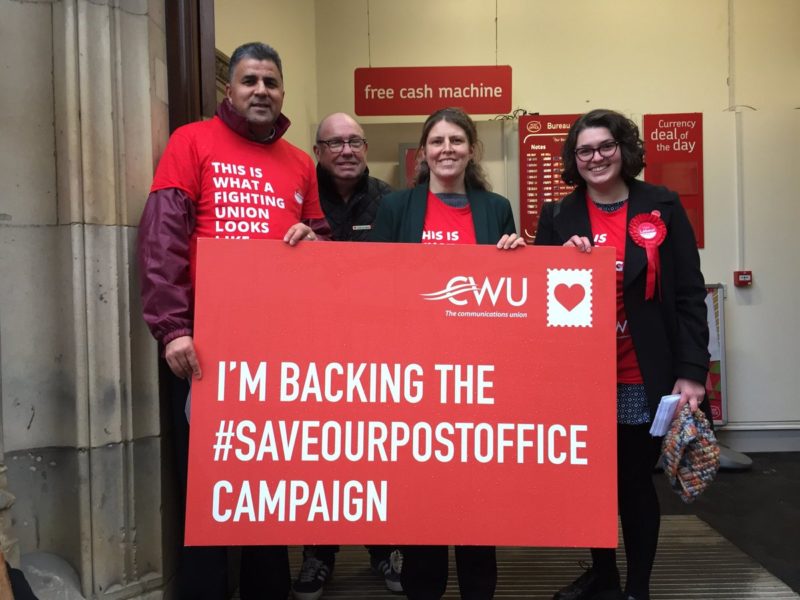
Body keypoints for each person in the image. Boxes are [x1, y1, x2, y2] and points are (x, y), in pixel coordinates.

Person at [137, 41, 329, 600]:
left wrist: (316, 242)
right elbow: (162, 240)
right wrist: (172, 328)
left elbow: (328, 253)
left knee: (268, 485)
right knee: (208, 489)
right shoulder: (190, 141)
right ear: (231, 90)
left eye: (270, 81)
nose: (261, 91)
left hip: (279, 346)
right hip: (206, 344)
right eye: (250, 81)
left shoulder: (299, 163)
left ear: (283, 92)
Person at [534, 109, 709, 600]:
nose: (596, 158)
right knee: (590, 485)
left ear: (624, 149)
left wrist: (692, 372)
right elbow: (540, 300)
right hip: (580, 377)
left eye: (605, 146)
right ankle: (603, 575)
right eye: (585, 150)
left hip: (641, 373)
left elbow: (689, 296)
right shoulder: (557, 216)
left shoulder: (663, 205)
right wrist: (559, 262)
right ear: (574, 159)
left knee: (633, 483)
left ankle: (637, 587)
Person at [371, 107, 525, 600]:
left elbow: (510, 288)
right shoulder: (398, 207)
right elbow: (372, 283)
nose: (447, 149)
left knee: (479, 506)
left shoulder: (495, 207)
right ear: (424, 151)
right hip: (415, 378)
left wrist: (517, 255)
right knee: (424, 506)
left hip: (480, 378)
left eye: (457, 140)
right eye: (436, 140)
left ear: (472, 149)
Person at [291, 112, 399, 600]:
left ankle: (385, 549)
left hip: (378, 345)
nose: (346, 150)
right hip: (311, 347)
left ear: (366, 147)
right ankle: (318, 554)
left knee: (378, 452)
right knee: (320, 454)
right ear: (318, 151)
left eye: (355, 141)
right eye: (334, 143)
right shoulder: (296, 197)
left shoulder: (392, 200)